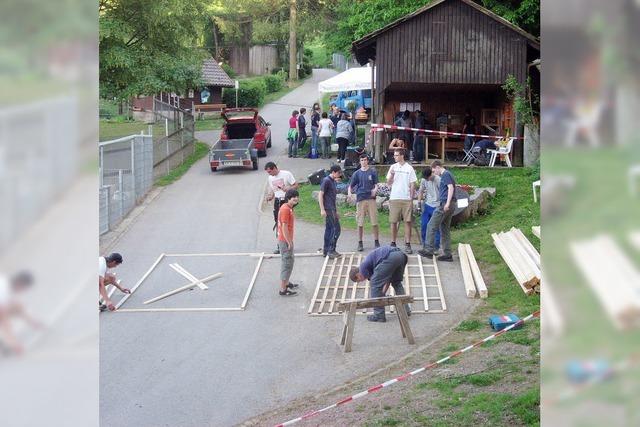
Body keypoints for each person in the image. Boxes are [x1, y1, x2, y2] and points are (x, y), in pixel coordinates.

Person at [348, 245, 410, 322]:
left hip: (390, 257)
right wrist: (382, 294)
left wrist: (379, 295)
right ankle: (406, 310)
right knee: (396, 283)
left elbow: (376, 284)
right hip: (400, 255)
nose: (362, 281)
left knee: (374, 284)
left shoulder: (362, 267)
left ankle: (379, 315)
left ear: (358, 275)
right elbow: (387, 280)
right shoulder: (372, 266)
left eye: (359, 280)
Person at [419, 160, 456, 261]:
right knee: (444, 228)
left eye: (434, 170)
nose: (434, 173)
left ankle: (429, 250)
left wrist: (447, 203)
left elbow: (451, 188)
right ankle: (448, 254)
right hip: (450, 204)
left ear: (438, 167)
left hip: (444, 204)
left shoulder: (445, 174)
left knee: (431, 225)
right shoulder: (447, 174)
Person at [0, 271, 40, 354]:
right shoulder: (3, 290)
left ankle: (6, 343)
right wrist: (14, 343)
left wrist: (32, 322)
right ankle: (5, 343)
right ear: (20, 283)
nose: (23, 291)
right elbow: (4, 321)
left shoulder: (7, 283)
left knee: (16, 305)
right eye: (24, 288)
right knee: (5, 318)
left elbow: (17, 307)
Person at [386, 148, 417, 254]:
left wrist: (411, 198)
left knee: (408, 222)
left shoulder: (409, 168)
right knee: (393, 221)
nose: (394, 157)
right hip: (394, 197)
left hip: (406, 198)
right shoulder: (392, 167)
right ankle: (393, 243)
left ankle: (408, 244)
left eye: (396, 155)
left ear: (402, 156)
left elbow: (413, 183)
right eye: (394, 155)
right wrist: (392, 175)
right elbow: (388, 183)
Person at [348, 154, 380, 251]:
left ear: (367, 161)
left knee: (374, 221)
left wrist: (375, 189)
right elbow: (351, 186)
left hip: (371, 199)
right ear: (360, 161)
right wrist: (349, 193)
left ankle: (376, 241)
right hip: (361, 198)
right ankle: (360, 242)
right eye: (362, 160)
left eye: (365, 160)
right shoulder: (357, 173)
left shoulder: (372, 172)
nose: (363, 162)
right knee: (360, 222)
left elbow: (376, 184)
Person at [265, 162, 298, 254]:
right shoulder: (270, 178)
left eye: (270, 171)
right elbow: (272, 190)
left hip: (286, 201)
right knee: (278, 223)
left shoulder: (286, 174)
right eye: (268, 172)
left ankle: (289, 242)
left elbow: (296, 185)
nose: (270, 174)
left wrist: (288, 188)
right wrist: (270, 196)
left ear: (275, 168)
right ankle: (280, 245)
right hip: (277, 201)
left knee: (286, 223)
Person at [277, 189, 300, 296]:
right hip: (285, 240)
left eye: (297, 196)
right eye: (293, 197)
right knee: (287, 263)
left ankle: (286, 283)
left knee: (290, 261)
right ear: (288, 198)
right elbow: (284, 227)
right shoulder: (286, 209)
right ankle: (283, 289)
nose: (296, 198)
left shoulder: (288, 208)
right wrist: (289, 242)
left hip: (286, 239)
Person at [319, 164, 342, 259]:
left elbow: (333, 197)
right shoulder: (326, 180)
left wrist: (336, 211)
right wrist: (322, 209)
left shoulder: (332, 181)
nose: (340, 175)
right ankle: (330, 250)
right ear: (333, 172)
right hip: (328, 209)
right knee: (335, 229)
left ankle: (326, 250)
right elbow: (320, 195)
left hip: (332, 209)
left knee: (329, 229)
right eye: (338, 173)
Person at [418, 167, 440, 251]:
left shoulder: (438, 180)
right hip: (427, 205)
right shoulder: (424, 180)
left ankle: (436, 247)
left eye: (428, 178)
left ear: (431, 174)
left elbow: (443, 193)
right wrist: (419, 204)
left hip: (437, 205)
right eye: (425, 178)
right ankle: (425, 245)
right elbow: (420, 191)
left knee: (435, 227)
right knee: (424, 225)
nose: (427, 180)